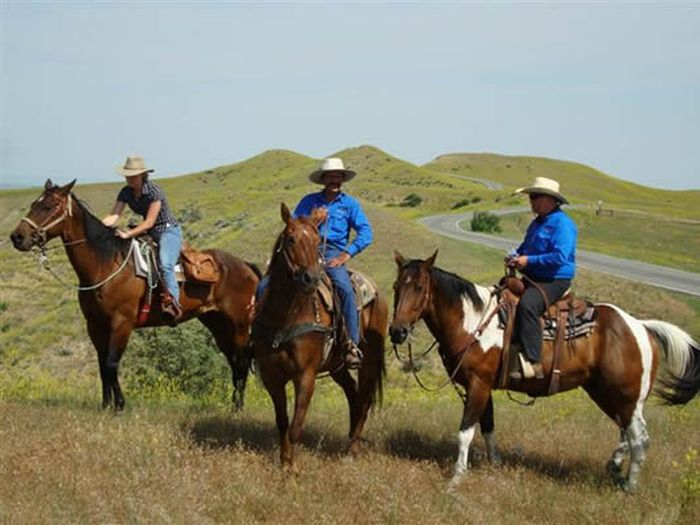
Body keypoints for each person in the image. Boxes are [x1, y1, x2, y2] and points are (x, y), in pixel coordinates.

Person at [256, 157, 373, 368]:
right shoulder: (309, 201)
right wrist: (313, 219)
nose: (334, 180)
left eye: (338, 176)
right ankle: (255, 337)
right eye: (330, 176)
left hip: (333, 252)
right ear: (324, 179)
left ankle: (351, 344)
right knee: (264, 285)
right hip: (305, 250)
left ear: (343, 179)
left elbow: (366, 233)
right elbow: (292, 225)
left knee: (345, 289)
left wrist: (347, 254)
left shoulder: (349, 205)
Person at [506, 177, 577, 380]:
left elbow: (560, 256)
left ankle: (533, 361)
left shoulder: (563, 224)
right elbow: (525, 247)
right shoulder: (537, 223)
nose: (531, 200)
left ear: (550, 200)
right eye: (531, 196)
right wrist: (515, 256)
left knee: (528, 304)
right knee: (503, 294)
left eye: (535, 196)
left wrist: (527, 261)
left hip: (554, 280)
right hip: (533, 276)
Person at [102, 156, 183, 321]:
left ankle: (173, 304)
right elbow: (114, 215)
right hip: (148, 232)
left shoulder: (154, 191)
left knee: (165, 264)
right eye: (128, 176)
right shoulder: (126, 192)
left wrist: (128, 234)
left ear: (143, 175)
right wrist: (97, 228)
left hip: (167, 231)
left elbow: (149, 222)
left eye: (134, 176)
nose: (130, 179)